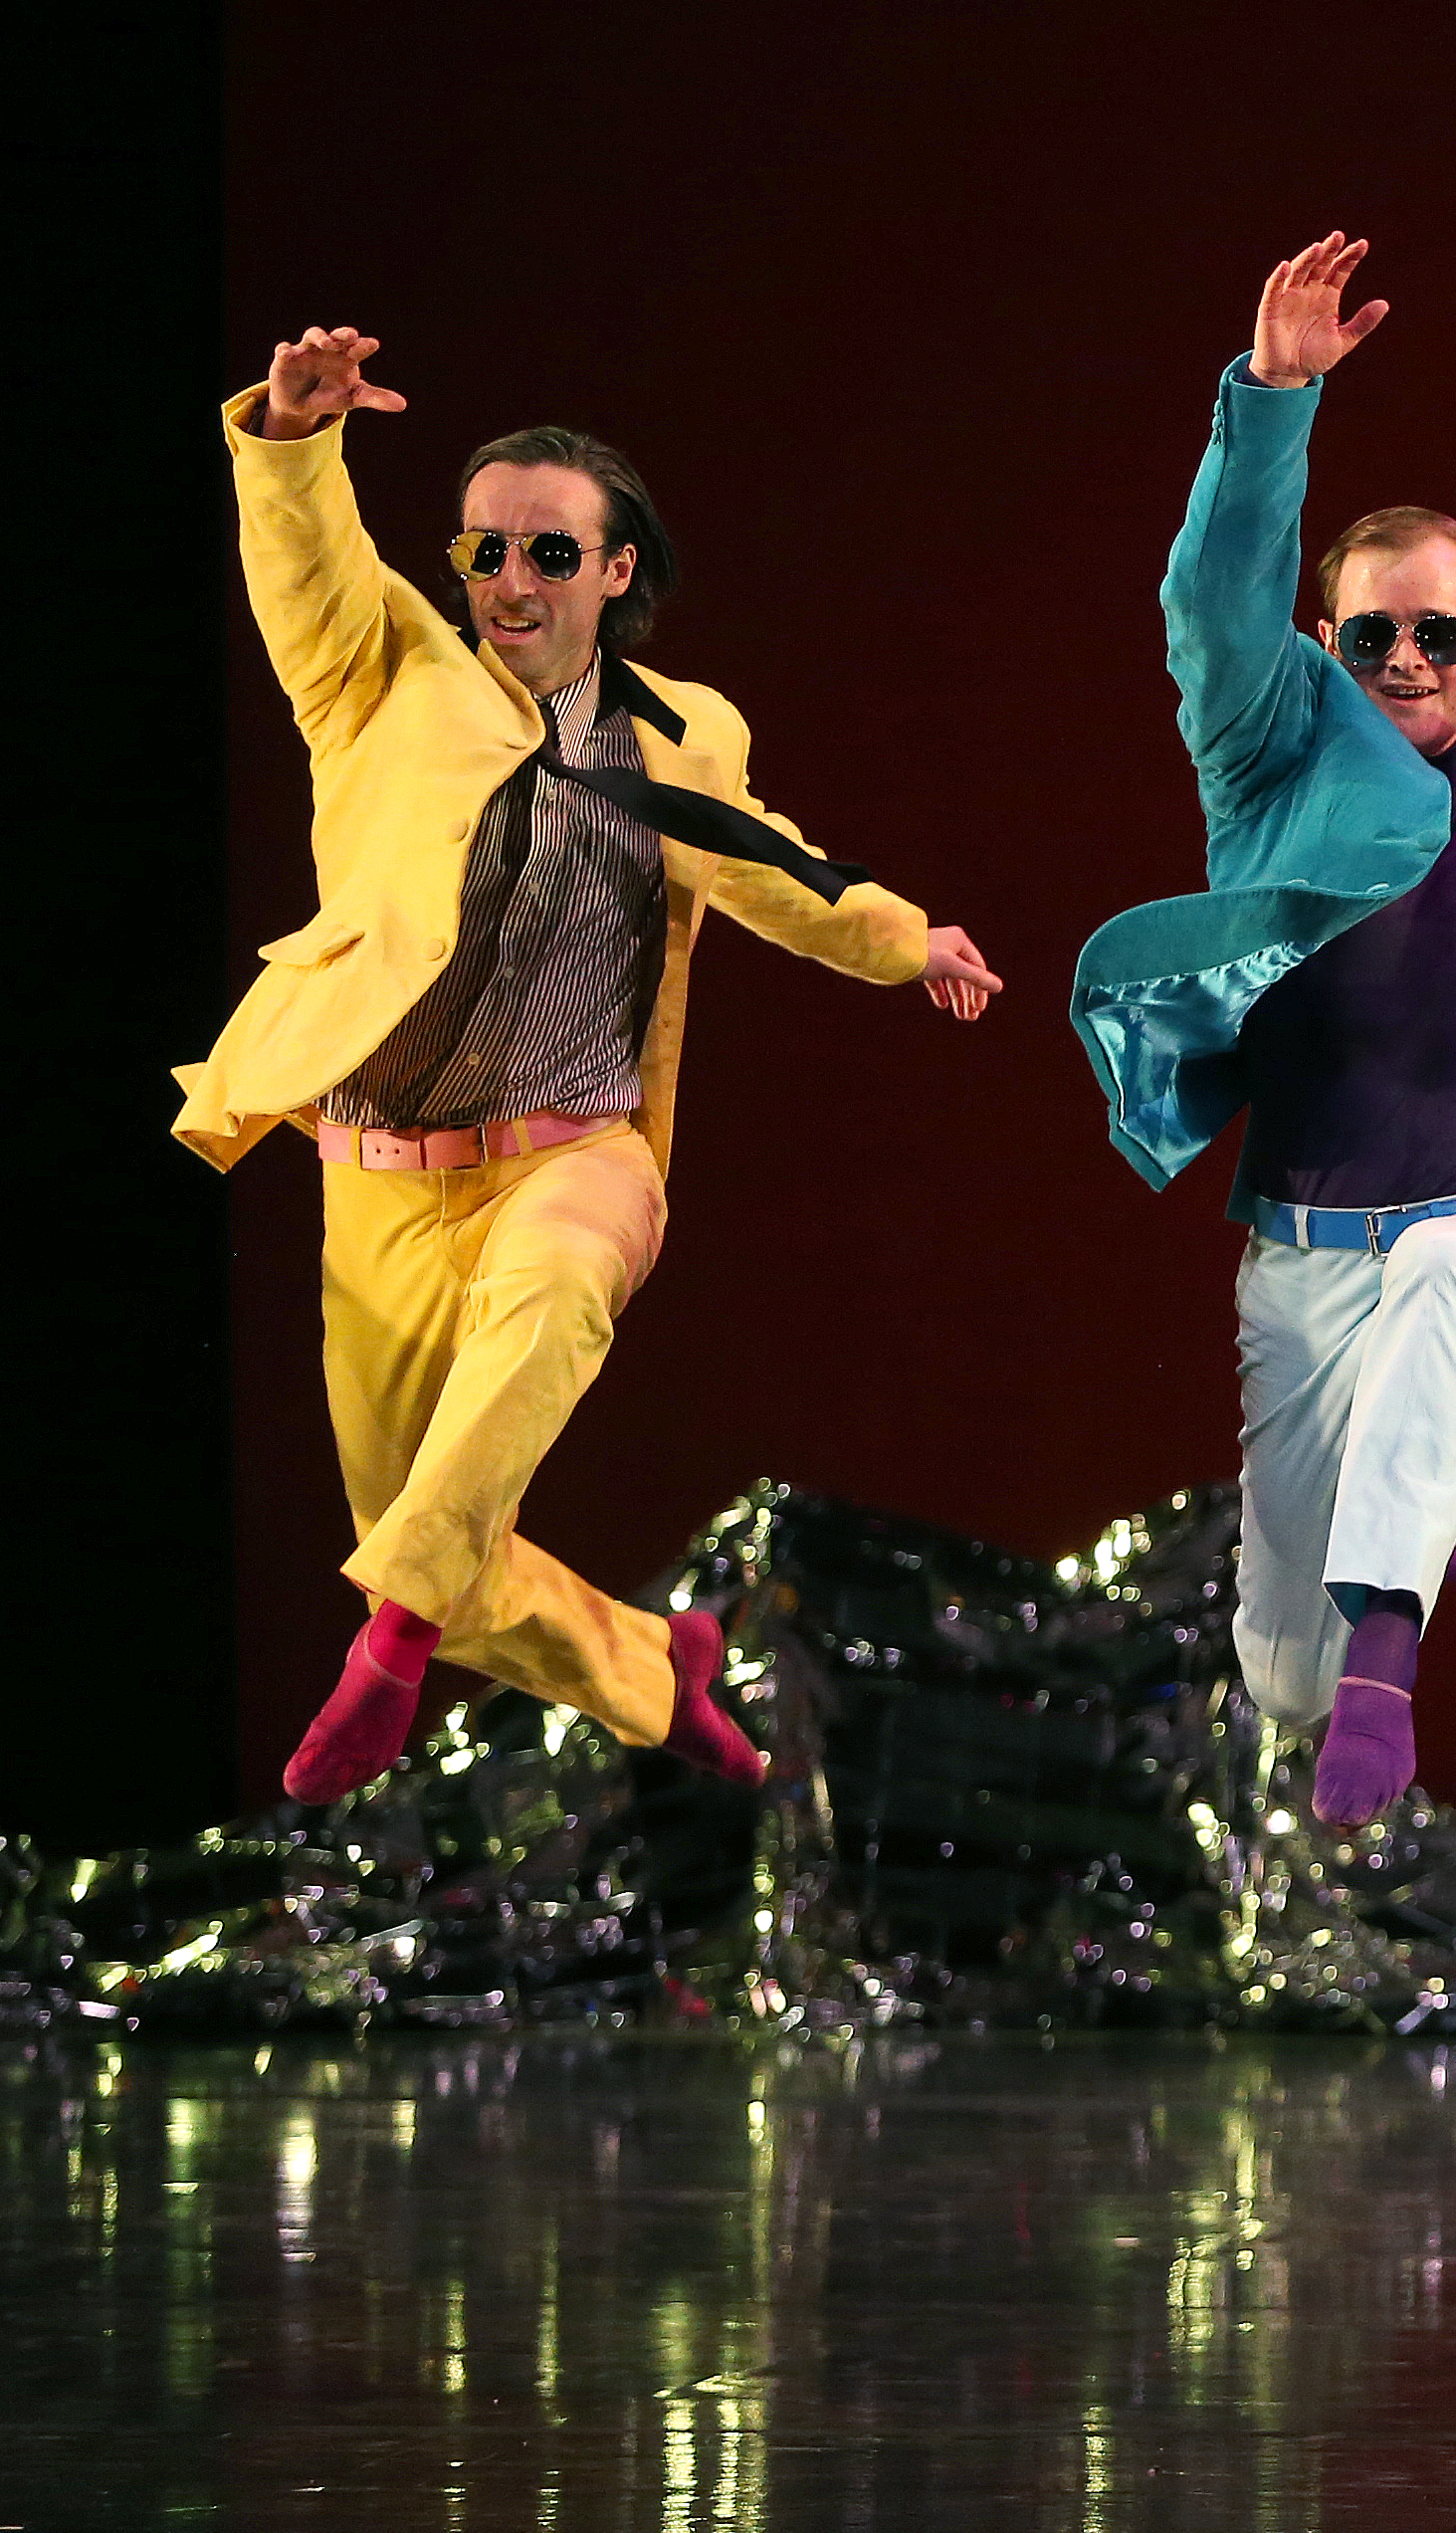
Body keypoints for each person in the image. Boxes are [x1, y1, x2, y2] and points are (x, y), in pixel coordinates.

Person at [183, 325, 1003, 1802]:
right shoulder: (380, 679)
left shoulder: (680, 739)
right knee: (423, 1530)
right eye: (485, 551)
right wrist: (295, 442)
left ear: (616, 572)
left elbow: (771, 868)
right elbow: (304, 564)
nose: (509, 582)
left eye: (549, 555)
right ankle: (645, 1666)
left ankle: (388, 1660)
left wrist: (905, 938)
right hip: (375, 1187)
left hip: (574, 1160)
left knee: (545, 1312)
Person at [1069, 237, 1456, 1827]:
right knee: (1279, 1674)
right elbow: (1212, 597)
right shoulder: (1264, 758)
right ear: (1319, 652)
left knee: (1450, 1277)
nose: (1403, 662)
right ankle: (1417, 1502)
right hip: (1304, 1265)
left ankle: (1394, 1643)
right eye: (1366, 639)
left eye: (1437, 637)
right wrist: (1269, 403)